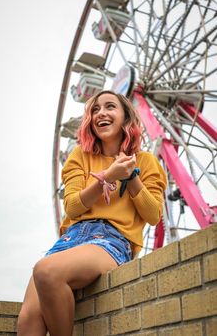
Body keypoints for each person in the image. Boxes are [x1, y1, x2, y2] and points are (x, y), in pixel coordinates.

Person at [17, 90, 167, 336]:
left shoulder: (146, 162)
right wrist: (105, 179)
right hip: (70, 239)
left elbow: (153, 215)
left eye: (110, 107)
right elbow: (73, 207)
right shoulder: (80, 156)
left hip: (111, 240)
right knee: (27, 320)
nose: (101, 113)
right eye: (95, 109)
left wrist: (130, 177)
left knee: (46, 271)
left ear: (125, 117)